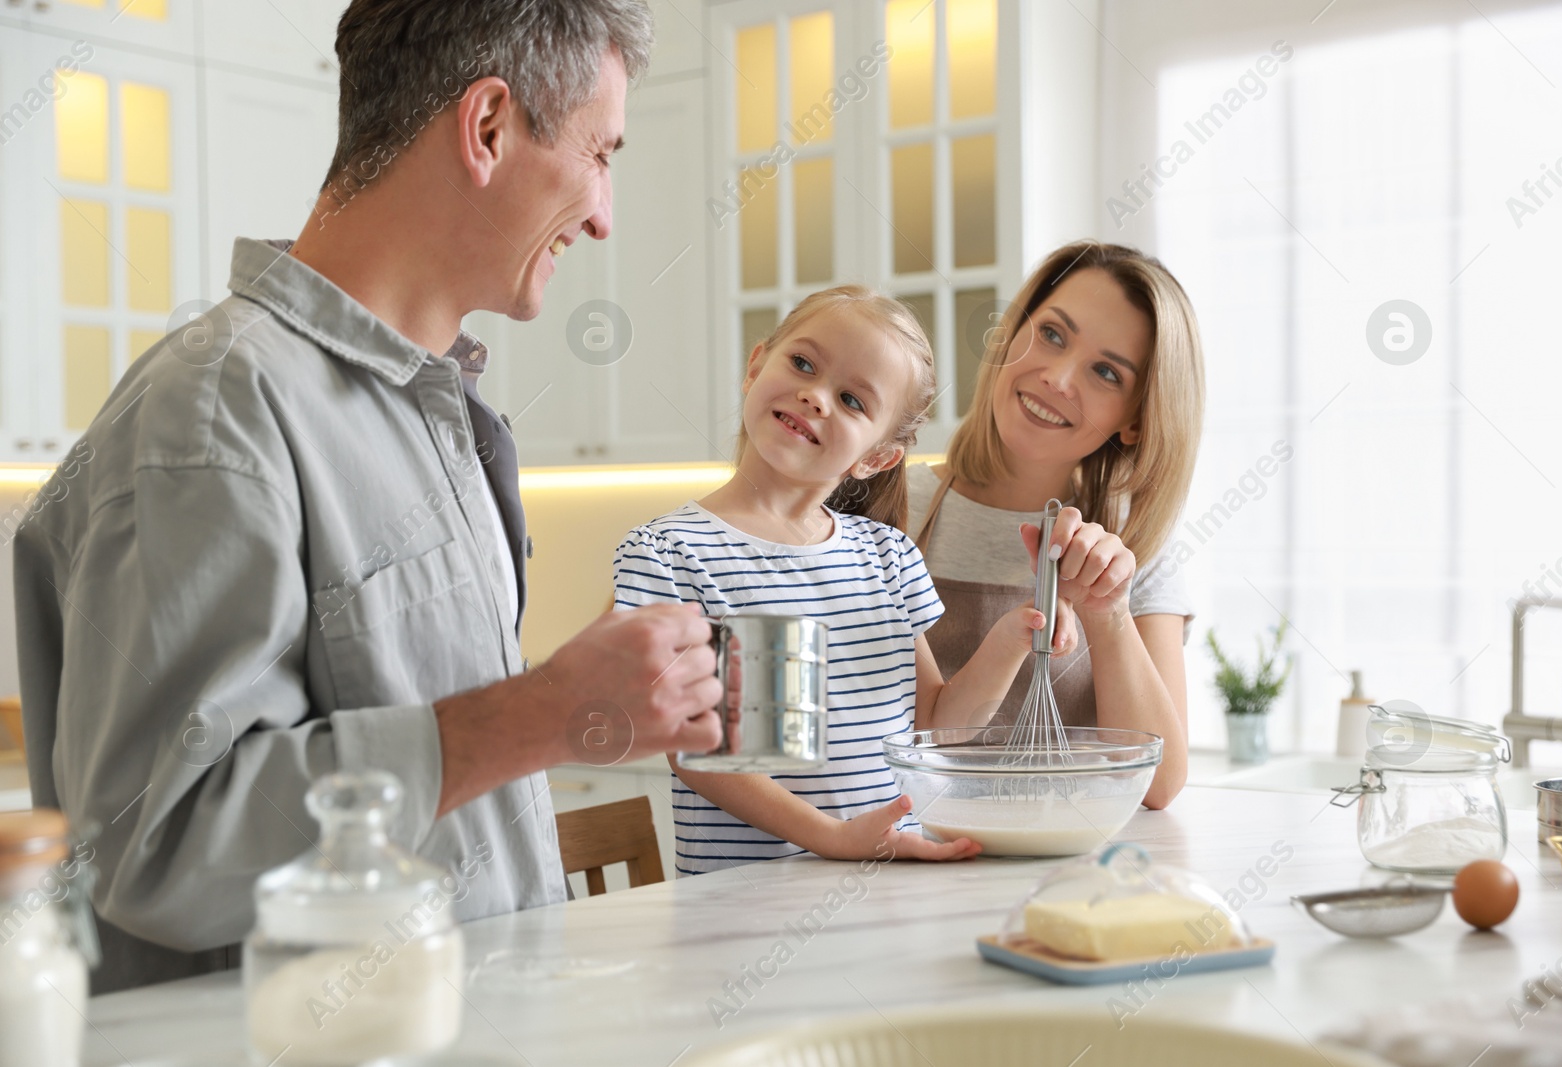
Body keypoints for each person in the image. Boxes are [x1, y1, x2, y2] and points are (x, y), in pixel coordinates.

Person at [12, 0, 722, 994]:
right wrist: (545, 713)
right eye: (600, 154)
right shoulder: (216, 411)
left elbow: (433, 754)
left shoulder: (436, 411)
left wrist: (563, 700)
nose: (605, 213)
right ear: (486, 128)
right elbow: (153, 843)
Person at [611, 286, 1078, 875]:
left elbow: (935, 725)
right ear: (756, 367)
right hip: (742, 914)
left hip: (884, 891)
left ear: (878, 456)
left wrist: (1017, 634)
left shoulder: (887, 557)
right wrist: (833, 837)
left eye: (852, 400)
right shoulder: (674, 554)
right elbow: (700, 751)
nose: (815, 395)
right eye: (802, 364)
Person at [907, 240, 1206, 809]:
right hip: (907, 865)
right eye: (1051, 334)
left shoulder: (1134, 544)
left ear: (1136, 421)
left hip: (1070, 879)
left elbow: (1159, 786)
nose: (1058, 378)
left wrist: (1107, 612)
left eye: (1105, 372)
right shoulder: (894, 507)